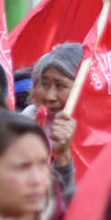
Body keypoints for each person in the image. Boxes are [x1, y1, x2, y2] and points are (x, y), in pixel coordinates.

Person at [26, 43, 82, 201]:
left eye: (60, 86)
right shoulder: (26, 122)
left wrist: (64, 155)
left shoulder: (98, 134)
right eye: (44, 84)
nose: (50, 96)